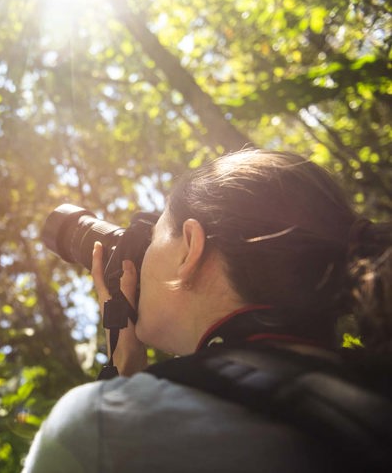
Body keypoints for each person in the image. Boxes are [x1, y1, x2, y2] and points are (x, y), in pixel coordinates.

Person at [23, 150, 392, 472]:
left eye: (154, 236)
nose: (141, 251)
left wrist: (116, 390)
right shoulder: (374, 386)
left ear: (190, 249)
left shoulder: (99, 429)